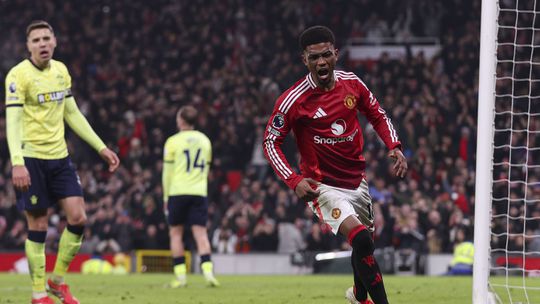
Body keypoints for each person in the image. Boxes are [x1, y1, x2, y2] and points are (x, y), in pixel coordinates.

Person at [262, 25, 407, 304]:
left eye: (326, 55)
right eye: (314, 57)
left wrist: (394, 146)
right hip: (322, 186)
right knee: (362, 240)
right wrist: (294, 180)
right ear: (304, 60)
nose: (321, 62)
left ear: (335, 54)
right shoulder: (293, 100)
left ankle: (357, 296)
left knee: (364, 247)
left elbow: (378, 114)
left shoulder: (352, 83)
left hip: (357, 182)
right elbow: (270, 142)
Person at [5, 20, 120, 304]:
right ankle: (37, 293)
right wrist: (17, 161)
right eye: (36, 40)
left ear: (54, 41)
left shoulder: (61, 72)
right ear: (28, 46)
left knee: (78, 217)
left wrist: (100, 147)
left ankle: (56, 282)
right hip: (31, 158)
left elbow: (72, 113)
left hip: (60, 158)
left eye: (46, 38)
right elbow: (13, 121)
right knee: (39, 225)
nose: (42, 44)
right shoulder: (18, 76)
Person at [162, 105, 219, 287]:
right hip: (198, 192)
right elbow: (207, 168)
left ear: (180, 120)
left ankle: (181, 277)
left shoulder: (172, 141)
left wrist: (165, 197)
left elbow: (167, 173)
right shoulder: (205, 141)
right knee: (201, 234)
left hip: (177, 192)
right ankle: (208, 273)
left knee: (176, 234)